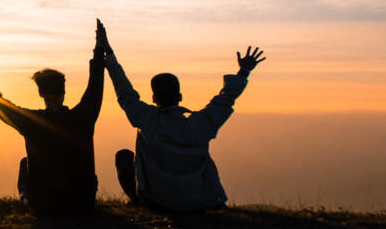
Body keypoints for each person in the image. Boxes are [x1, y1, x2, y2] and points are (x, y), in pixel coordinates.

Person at [98, 21, 265, 212]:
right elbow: (226, 99)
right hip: (199, 203)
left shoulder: (147, 120)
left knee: (123, 156)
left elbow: (125, 92)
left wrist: (109, 54)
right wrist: (244, 71)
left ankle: (136, 200)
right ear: (180, 97)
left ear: (154, 98)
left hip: (157, 202)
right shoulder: (201, 124)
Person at [0, 21, 106, 217]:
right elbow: (95, 85)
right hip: (83, 204)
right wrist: (99, 49)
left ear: (41, 94)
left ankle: (28, 200)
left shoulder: (31, 121)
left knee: (23, 164)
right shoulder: (84, 116)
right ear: (63, 91)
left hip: (45, 206)